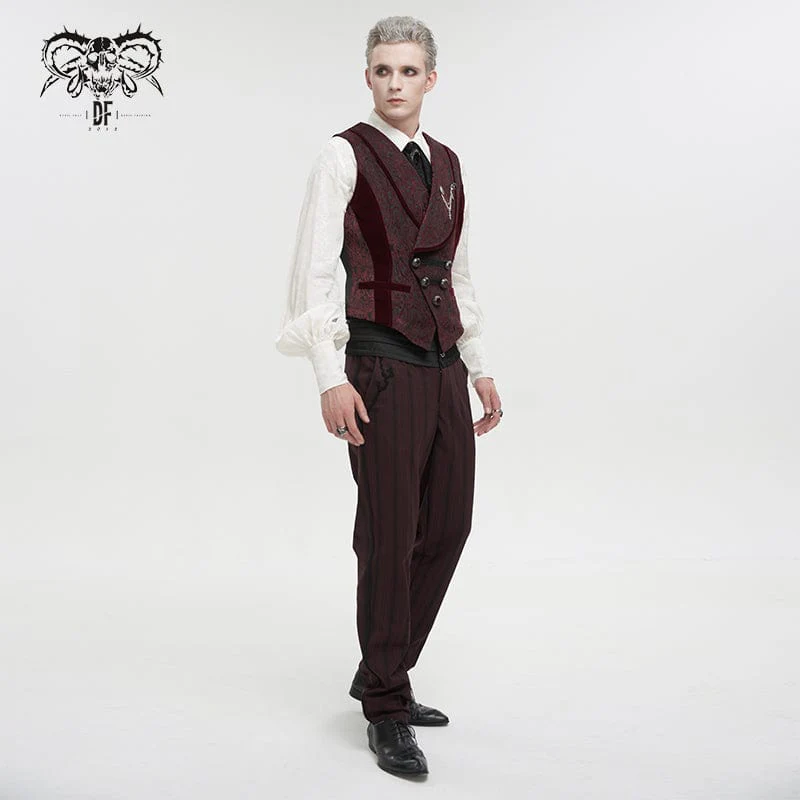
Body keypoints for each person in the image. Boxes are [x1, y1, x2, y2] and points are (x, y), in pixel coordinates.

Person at [275, 15, 503, 778]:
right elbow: (314, 272)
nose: (395, 83)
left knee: (448, 524)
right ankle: (385, 703)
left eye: (408, 71)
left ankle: (384, 665)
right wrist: (329, 374)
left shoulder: (449, 163)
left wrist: (479, 364)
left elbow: (457, 272)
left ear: (430, 79)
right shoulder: (343, 154)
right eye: (382, 70)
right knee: (388, 531)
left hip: (444, 365)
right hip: (379, 363)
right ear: (368, 77)